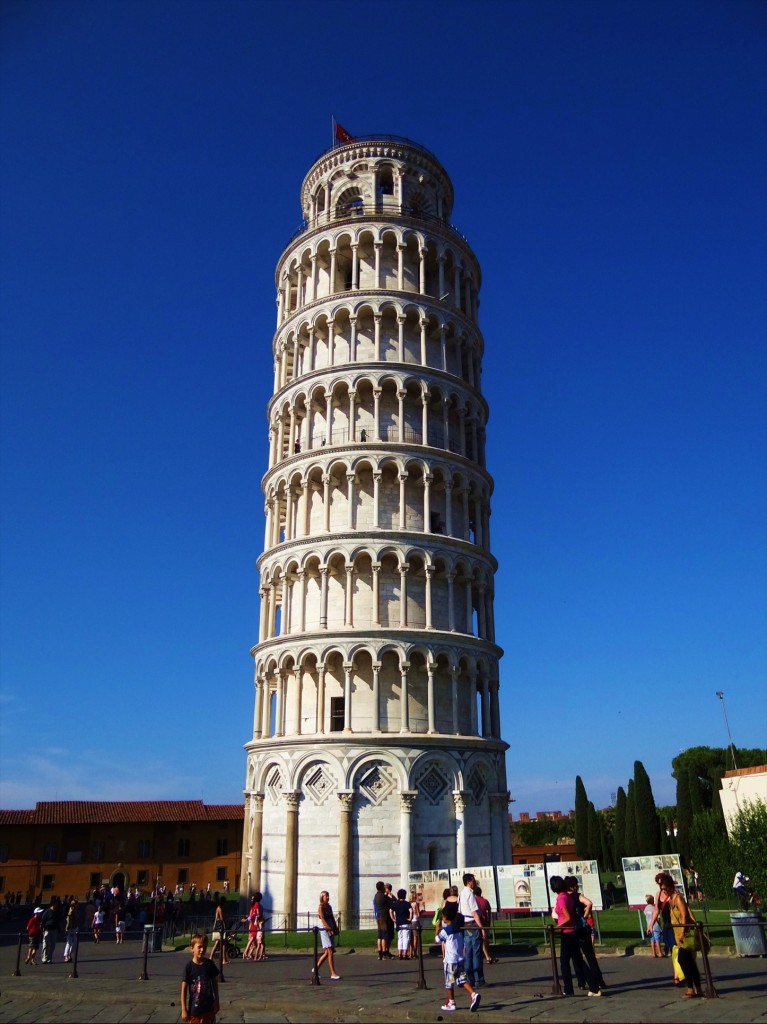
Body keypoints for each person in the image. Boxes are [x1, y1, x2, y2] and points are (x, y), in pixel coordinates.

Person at [550, 875, 600, 996]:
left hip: (567, 932)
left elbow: (567, 917)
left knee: (564, 961)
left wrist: (558, 927)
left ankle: (568, 989)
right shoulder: (567, 896)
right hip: (573, 931)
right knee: (577, 960)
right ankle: (594, 986)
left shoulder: (561, 898)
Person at [436, 900, 481, 1013]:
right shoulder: (458, 929)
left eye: (442, 917)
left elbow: (437, 940)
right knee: (461, 979)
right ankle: (473, 994)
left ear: (445, 917)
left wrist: (437, 930)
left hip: (450, 960)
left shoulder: (446, 930)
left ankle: (451, 1002)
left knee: (449, 983)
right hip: (460, 959)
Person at [666, 874, 704, 1000]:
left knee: (683, 960)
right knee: (690, 962)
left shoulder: (678, 898)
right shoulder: (671, 899)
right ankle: (698, 989)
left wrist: (682, 932)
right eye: (661, 888)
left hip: (685, 935)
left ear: (670, 886)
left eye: (664, 888)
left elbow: (685, 915)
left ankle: (690, 989)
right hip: (679, 936)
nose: (663, 891)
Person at [565, 876, 605, 989]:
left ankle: (581, 982)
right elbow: (589, 903)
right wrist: (585, 915)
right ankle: (599, 980)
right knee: (590, 956)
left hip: (572, 929)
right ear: (573, 887)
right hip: (582, 929)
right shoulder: (577, 896)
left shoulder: (565, 898)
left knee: (576, 957)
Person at [181, 933, 220, 1024]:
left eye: (204, 947)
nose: (202, 950)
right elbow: (184, 988)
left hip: (209, 1008)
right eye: (199, 947)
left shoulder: (209, 964)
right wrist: (183, 1008)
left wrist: (217, 1000)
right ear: (192, 948)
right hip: (195, 1010)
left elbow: (214, 983)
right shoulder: (189, 967)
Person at [647, 871, 679, 982]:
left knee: (677, 949)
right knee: (672, 950)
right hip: (667, 925)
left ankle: (677, 975)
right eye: (659, 884)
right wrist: (651, 924)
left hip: (676, 924)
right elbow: (656, 910)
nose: (661, 887)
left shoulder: (674, 893)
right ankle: (677, 973)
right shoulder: (658, 894)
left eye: (662, 884)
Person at [457, 873, 486, 988]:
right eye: (473, 880)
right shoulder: (470, 894)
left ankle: (470, 979)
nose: (474, 882)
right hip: (473, 924)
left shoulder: (461, 894)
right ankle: (479, 979)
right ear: (469, 881)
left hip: (465, 924)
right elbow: (474, 913)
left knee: (468, 952)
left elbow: (460, 910)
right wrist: (482, 928)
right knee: (477, 952)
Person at [313, 890, 340, 980]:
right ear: (322, 897)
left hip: (330, 928)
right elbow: (323, 919)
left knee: (328, 952)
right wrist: (328, 928)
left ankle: (316, 969)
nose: (328, 897)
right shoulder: (321, 907)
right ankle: (333, 973)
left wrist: (335, 927)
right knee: (330, 951)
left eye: (328, 895)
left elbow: (331, 917)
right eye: (326, 896)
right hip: (324, 930)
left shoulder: (329, 906)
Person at [474, 885, 497, 964]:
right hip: (484, 922)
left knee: (480, 939)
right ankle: (488, 956)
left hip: (476, 922)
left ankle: (487, 956)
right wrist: (488, 921)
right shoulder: (485, 901)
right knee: (485, 939)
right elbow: (489, 912)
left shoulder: (474, 901)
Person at [391, 888, 414, 958]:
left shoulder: (396, 903)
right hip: (406, 922)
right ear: (404, 895)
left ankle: (400, 953)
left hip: (398, 923)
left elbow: (390, 911)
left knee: (400, 938)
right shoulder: (406, 903)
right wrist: (410, 918)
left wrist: (393, 919)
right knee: (406, 938)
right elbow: (411, 910)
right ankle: (405, 953)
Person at [373, 881, 393, 960]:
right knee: (384, 936)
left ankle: (380, 954)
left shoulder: (376, 895)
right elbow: (392, 901)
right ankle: (384, 953)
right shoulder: (383, 896)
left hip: (379, 916)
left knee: (380, 936)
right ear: (381, 887)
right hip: (384, 917)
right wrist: (389, 893)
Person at [40, 897, 62, 963]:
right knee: (46, 945)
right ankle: (44, 958)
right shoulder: (47, 912)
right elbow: (43, 921)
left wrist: (59, 929)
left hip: (54, 930)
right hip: (48, 930)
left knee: (53, 945)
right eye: (56, 903)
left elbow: (57, 921)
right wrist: (42, 929)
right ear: (53, 904)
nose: (57, 905)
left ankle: (49, 958)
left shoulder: (56, 912)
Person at [209, 898, 229, 965]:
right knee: (220, 942)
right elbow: (221, 918)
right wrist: (227, 917)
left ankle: (222, 959)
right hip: (220, 926)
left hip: (218, 925)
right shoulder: (220, 908)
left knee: (221, 943)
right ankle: (222, 959)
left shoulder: (219, 908)